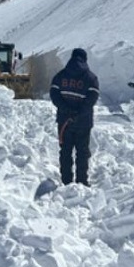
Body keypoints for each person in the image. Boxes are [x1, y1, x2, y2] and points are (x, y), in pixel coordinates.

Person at [50, 48, 100, 186]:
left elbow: (54, 95)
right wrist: (79, 113)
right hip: (83, 123)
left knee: (65, 151)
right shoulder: (91, 78)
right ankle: (82, 181)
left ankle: (66, 181)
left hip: (64, 122)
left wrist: (66, 110)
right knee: (82, 153)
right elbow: (91, 100)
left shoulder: (60, 76)